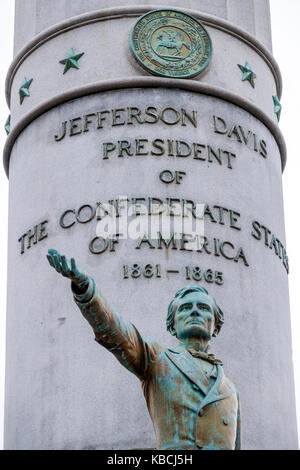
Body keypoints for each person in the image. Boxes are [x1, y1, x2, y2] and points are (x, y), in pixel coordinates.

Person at [47, 248, 241, 450]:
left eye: (203, 308)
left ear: (216, 326)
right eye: (185, 308)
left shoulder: (231, 390)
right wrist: (85, 289)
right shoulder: (158, 359)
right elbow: (117, 332)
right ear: (172, 325)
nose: (194, 311)